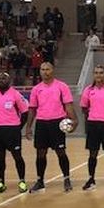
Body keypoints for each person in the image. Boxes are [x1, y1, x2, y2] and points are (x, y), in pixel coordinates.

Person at [25, 62, 78, 192]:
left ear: (52, 70)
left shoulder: (62, 86)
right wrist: (28, 127)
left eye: (47, 69)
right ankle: (40, 181)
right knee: (40, 153)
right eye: (42, 69)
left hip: (57, 123)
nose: (45, 72)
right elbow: (32, 109)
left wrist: (74, 120)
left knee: (61, 152)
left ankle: (66, 179)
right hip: (42, 123)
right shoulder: (36, 89)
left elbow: (68, 105)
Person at [0, 73, 29, 194]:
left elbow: (24, 112)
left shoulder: (15, 94)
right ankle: (1, 182)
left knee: (17, 156)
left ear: (9, 80)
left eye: (4, 78)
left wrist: (18, 127)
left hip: (13, 130)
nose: (1, 80)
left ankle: (22, 181)